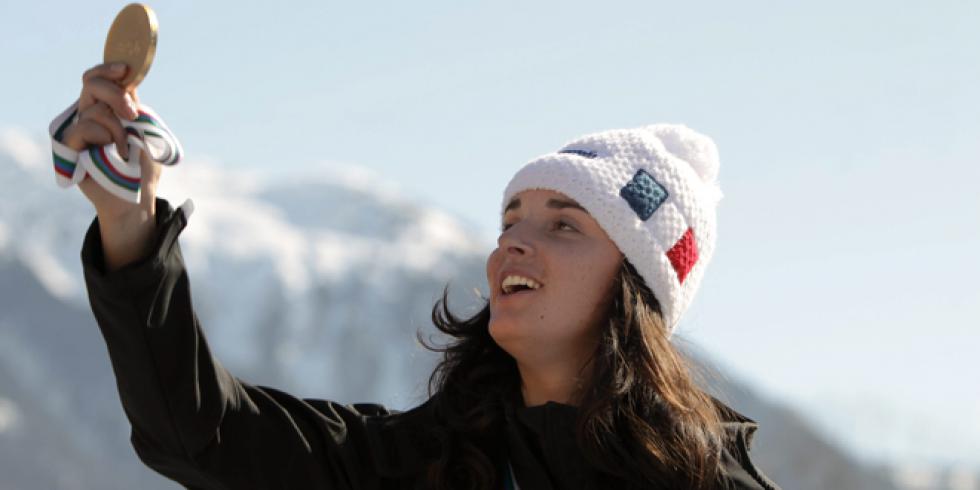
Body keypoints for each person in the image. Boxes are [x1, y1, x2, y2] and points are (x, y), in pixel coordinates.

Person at [55, 63, 781, 489]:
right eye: (510, 220)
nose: (513, 246)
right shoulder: (421, 462)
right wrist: (131, 228)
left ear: (636, 291)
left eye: (564, 224)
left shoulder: (705, 479)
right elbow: (200, 433)